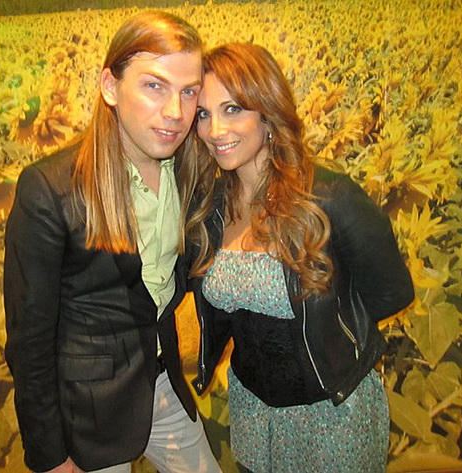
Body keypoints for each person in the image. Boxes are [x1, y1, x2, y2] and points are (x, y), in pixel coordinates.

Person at [4, 11, 221, 473]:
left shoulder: (193, 172)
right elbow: (29, 342)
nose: (175, 112)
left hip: (162, 384)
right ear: (110, 86)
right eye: (154, 86)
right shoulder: (51, 189)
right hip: (89, 413)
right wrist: (49, 456)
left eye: (188, 92)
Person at [186, 43, 415, 473]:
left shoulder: (328, 197)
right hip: (253, 408)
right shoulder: (210, 206)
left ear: (267, 112)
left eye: (233, 109)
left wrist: (336, 334)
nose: (215, 129)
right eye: (202, 114)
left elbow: (392, 293)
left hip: (331, 413)